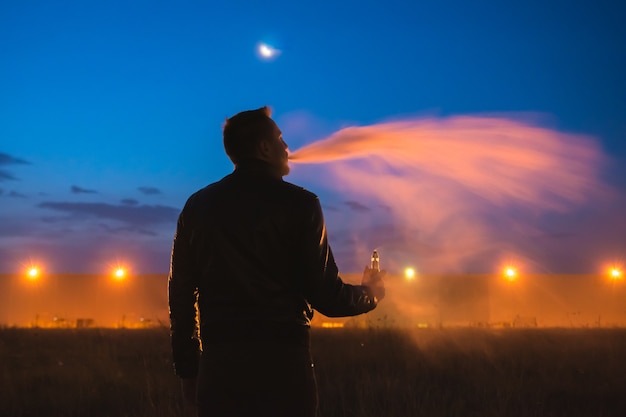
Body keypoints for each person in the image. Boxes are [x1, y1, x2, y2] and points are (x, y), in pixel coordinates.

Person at [168, 106, 386, 417]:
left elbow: (180, 295)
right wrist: (370, 293)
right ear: (264, 147)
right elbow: (326, 296)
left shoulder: (197, 207)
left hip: (219, 369)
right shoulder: (302, 204)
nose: (287, 148)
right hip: (283, 367)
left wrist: (188, 370)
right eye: (280, 139)